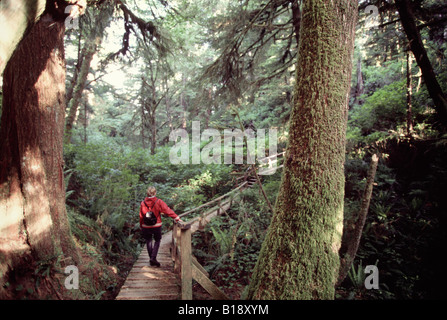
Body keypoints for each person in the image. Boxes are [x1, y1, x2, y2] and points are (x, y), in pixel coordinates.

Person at [139, 186, 182, 267]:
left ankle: (152, 259)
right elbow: (167, 210)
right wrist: (177, 218)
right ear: (155, 193)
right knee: (157, 241)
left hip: (145, 226)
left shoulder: (142, 203)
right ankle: (153, 258)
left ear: (147, 193)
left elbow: (141, 216)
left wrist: (141, 225)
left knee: (148, 241)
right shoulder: (159, 202)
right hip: (156, 225)